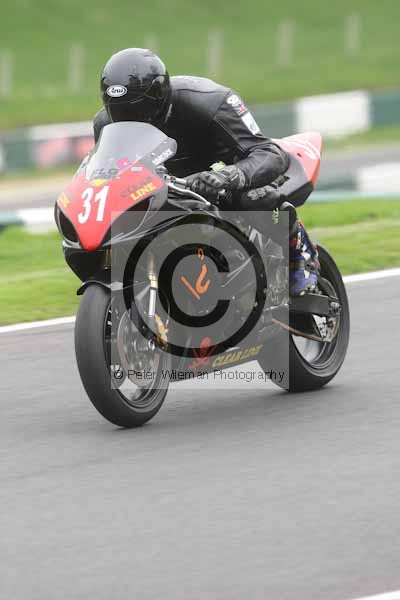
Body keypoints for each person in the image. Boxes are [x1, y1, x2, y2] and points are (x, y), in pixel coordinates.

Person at [93, 48, 319, 296]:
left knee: (254, 197)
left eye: (136, 109)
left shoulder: (208, 101)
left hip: (223, 168)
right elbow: (108, 174)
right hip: (168, 185)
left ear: (158, 96)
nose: (129, 118)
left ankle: (298, 250)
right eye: (120, 111)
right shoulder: (105, 124)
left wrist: (227, 176)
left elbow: (268, 153)